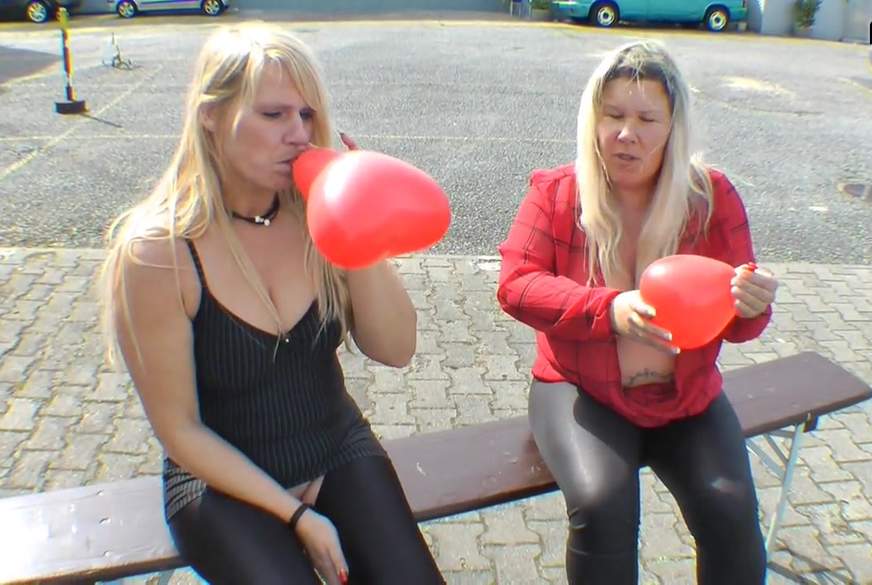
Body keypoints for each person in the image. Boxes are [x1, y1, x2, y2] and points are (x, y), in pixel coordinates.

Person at [100, 23, 443, 585]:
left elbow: (396, 349)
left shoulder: (315, 216)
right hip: (220, 479)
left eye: (307, 115)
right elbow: (179, 430)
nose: (299, 135)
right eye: (273, 114)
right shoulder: (158, 252)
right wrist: (297, 516)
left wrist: (358, 222)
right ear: (211, 115)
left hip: (334, 447)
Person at [497, 40, 778, 585]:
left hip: (686, 396)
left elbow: (742, 322)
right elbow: (515, 285)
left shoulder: (711, 197)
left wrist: (752, 303)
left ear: (673, 127)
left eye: (647, 118)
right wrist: (609, 309)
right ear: (593, 119)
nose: (628, 133)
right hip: (581, 390)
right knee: (602, 504)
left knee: (730, 508)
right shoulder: (556, 192)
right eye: (614, 115)